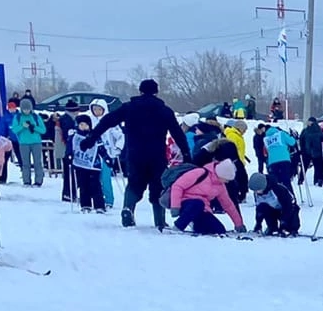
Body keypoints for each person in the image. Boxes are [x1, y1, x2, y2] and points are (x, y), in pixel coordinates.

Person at [80, 78, 192, 231]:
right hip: (157, 155)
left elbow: (108, 121)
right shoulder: (165, 111)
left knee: (134, 183)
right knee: (157, 186)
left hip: (135, 153)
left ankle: (128, 208)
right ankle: (159, 221)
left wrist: (91, 138)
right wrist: (186, 154)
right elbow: (178, 134)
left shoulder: (129, 108)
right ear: (156, 93)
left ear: (140, 91)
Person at [170, 158, 245, 235]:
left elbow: (228, 205)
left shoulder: (220, 186)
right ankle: (178, 226)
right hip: (185, 204)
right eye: (227, 179)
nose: (228, 181)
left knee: (219, 230)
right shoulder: (200, 173)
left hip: (203, 209)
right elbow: (177, 186)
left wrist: (239, 224)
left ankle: (195, 224)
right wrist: (175, 206)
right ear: (221, 174)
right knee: (198, 203)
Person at [69, 111, 109, 213]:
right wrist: (68, 155)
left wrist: (106, 157)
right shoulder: (75, 137)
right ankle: (85, 204)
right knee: (83, 185)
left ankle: (99, 205)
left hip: (93, 165)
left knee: (95, 185)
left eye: (85, 125)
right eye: (81, 125)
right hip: (81, 165)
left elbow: (100, 147)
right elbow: (70, 147)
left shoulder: (93, 136)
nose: (83, 127)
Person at [250, 171, 301, 236]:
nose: (256, 192)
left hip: (289, 209)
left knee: (291, 226)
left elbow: (288, 206)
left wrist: (283, 223)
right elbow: (259, 209)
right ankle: (272, 228)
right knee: (263, 207)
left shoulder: (278, 189)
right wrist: (258, 224)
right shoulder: (257, 194)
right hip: (273, 209)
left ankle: (291, 228)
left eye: (257, 190)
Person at [11, 97, 45, 187]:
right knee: (25, 163)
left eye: (28, 109)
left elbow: (43, 130)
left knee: (38, 162)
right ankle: (26, 180)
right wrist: (22, 126)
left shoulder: (36, 117)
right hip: (23, 143)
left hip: (36, 142)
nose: (26, 111)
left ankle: (38, 181)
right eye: (25, 109)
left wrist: (34, 127)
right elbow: (14, 130)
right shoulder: (17, 117)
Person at [299, 117, 323, 187]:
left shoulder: (306, 131)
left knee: (308, 167)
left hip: (310, 151)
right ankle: (319, 181)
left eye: (310, 122)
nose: (308, 123)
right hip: (315, 152)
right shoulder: (318, 130)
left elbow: (302, 140)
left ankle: (301, 180)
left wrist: (302, 149)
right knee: (318, 168)